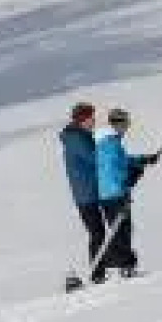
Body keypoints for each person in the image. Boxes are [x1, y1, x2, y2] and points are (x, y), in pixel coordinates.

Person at [94, 107, 161, 278]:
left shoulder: (109, 142)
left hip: (110, 193)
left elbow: (123, 161)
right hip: (115, 194)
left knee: (121, 229)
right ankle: (124, 267)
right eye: (125, 123)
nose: (127, 127)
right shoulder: (110, 144)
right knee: (121, 230)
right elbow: (113, 170)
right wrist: (130, 178)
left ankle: (123, 265)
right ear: (117, 124)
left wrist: (143, 159)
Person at [58, 102, 106, 282]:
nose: (94, 120)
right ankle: (97, 273)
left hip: (89, 192)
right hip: (87, 194)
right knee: (97, 233)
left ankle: (101, 270)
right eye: (90, 117)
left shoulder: (81, 137)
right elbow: (96, 160)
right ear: (82, 119)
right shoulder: (76, 139)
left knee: (100, 232)